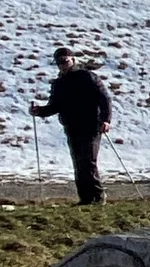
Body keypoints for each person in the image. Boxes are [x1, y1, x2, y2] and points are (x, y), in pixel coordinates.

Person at [31, 46, 113, 205]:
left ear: (73, 60)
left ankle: (97, 196)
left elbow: (104, 99)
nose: (61, 65)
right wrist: (39, 111)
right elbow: (54, 106)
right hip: (72, 127)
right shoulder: (59, 84)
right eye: (58, 62)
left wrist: (106, 120)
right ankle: (85, 198)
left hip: (91, 125)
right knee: (78, 162)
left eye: (64, 61)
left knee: (88, 161)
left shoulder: (88, 77)